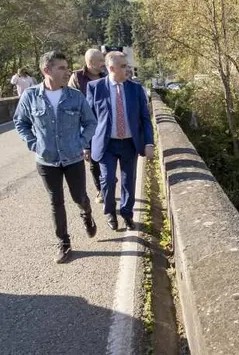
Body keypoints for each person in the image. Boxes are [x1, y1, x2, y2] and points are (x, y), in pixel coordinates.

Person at [13, 51, 98, 263]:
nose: (66, 72)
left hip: (73, 158)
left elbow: (91, 123)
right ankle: (64, 243)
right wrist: (33, 143)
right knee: (55, 202)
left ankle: (86, 214)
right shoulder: (30, 96)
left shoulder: (75, 97)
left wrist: (80, 142)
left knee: (79, 197)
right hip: (46, 160)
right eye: (61, 68)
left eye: (67, 67)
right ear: (46, 71)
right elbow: (20, 122)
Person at [87, 51, 154, 231]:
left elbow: (145, 118)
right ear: (111, 68)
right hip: (106, 144)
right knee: (108, 180)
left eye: (127, 65)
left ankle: (127, 214)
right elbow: (88, 120)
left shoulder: (135, 88)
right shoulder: (95, 87)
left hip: (130, 143)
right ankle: (110, 212)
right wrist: (86, 146)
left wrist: (149, 142)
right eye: (123, 66)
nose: (127, 69)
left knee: (128, 181)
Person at [69, 49, 107, 203]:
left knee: (107, 158)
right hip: (86, 125)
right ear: (90, 63)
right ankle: (100, 190)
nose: (103, 64)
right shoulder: (77, 77)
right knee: (93, 160)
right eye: (100, 61)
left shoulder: (106, 75)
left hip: (104, 124)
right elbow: (71, 101)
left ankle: (107, 185)